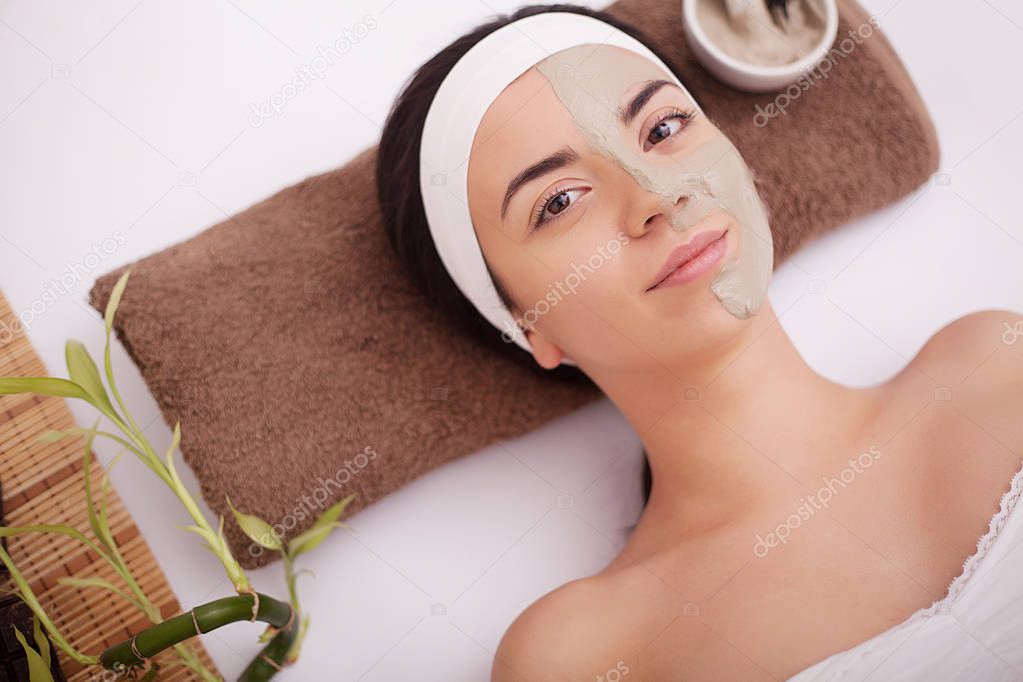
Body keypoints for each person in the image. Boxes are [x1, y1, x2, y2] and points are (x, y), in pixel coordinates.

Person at [376, 5, 1023, 680]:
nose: (657, 193)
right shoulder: (586, 652)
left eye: (661, 128)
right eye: (561, 201)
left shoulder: (992, 362)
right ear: (526, 326)